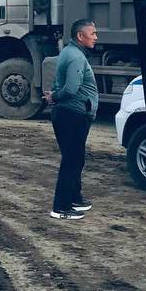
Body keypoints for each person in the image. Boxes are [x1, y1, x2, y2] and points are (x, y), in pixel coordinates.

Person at [44, 19, 98, 220]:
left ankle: (74, 198)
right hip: (72, 115)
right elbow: (71, 89)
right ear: (80, 36)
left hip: (71, 114)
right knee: (71, 161)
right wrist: (54, 97)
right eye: (92, 33)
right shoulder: (76, 57)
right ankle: (61, 208)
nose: (95, 37)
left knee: (76, 158)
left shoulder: (71, 52)